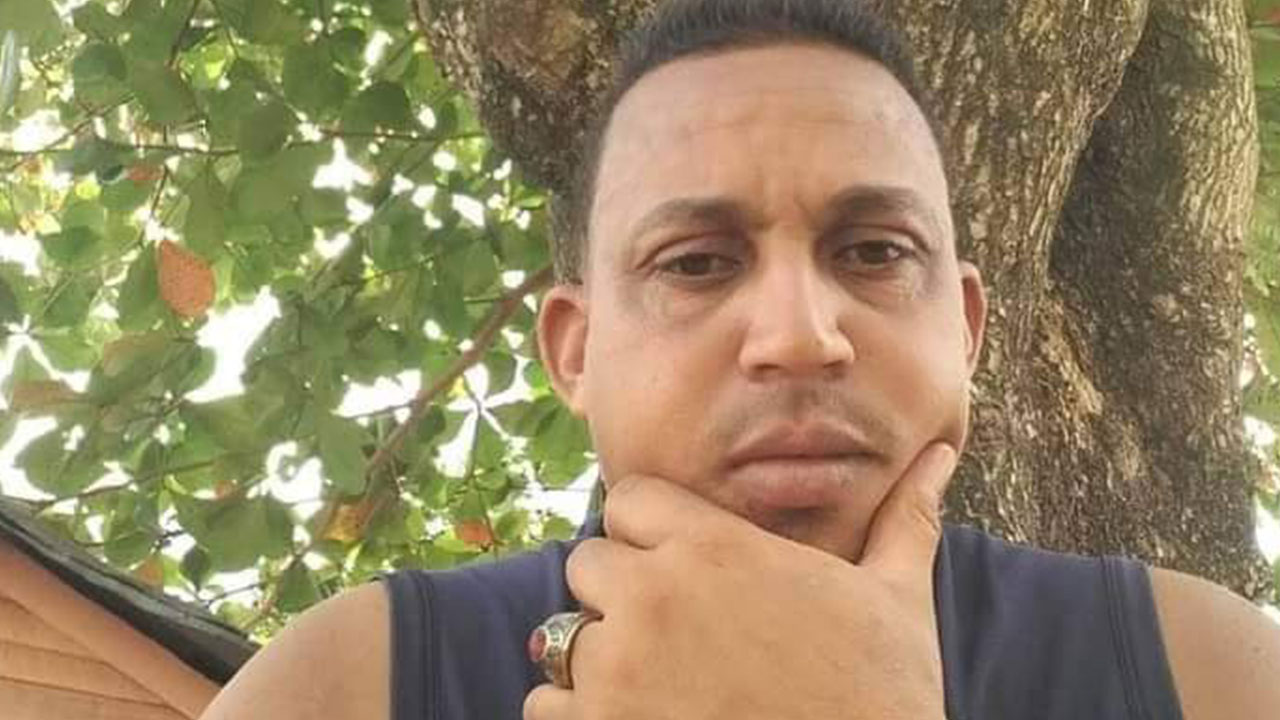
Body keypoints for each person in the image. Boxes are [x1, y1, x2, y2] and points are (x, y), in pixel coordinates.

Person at [199, 1, 1280, 718]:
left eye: (873, 252)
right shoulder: (354, 683)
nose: (800, 336)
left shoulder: (1201, 670)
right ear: (575, 352)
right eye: (696, 263)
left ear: (964, 330)